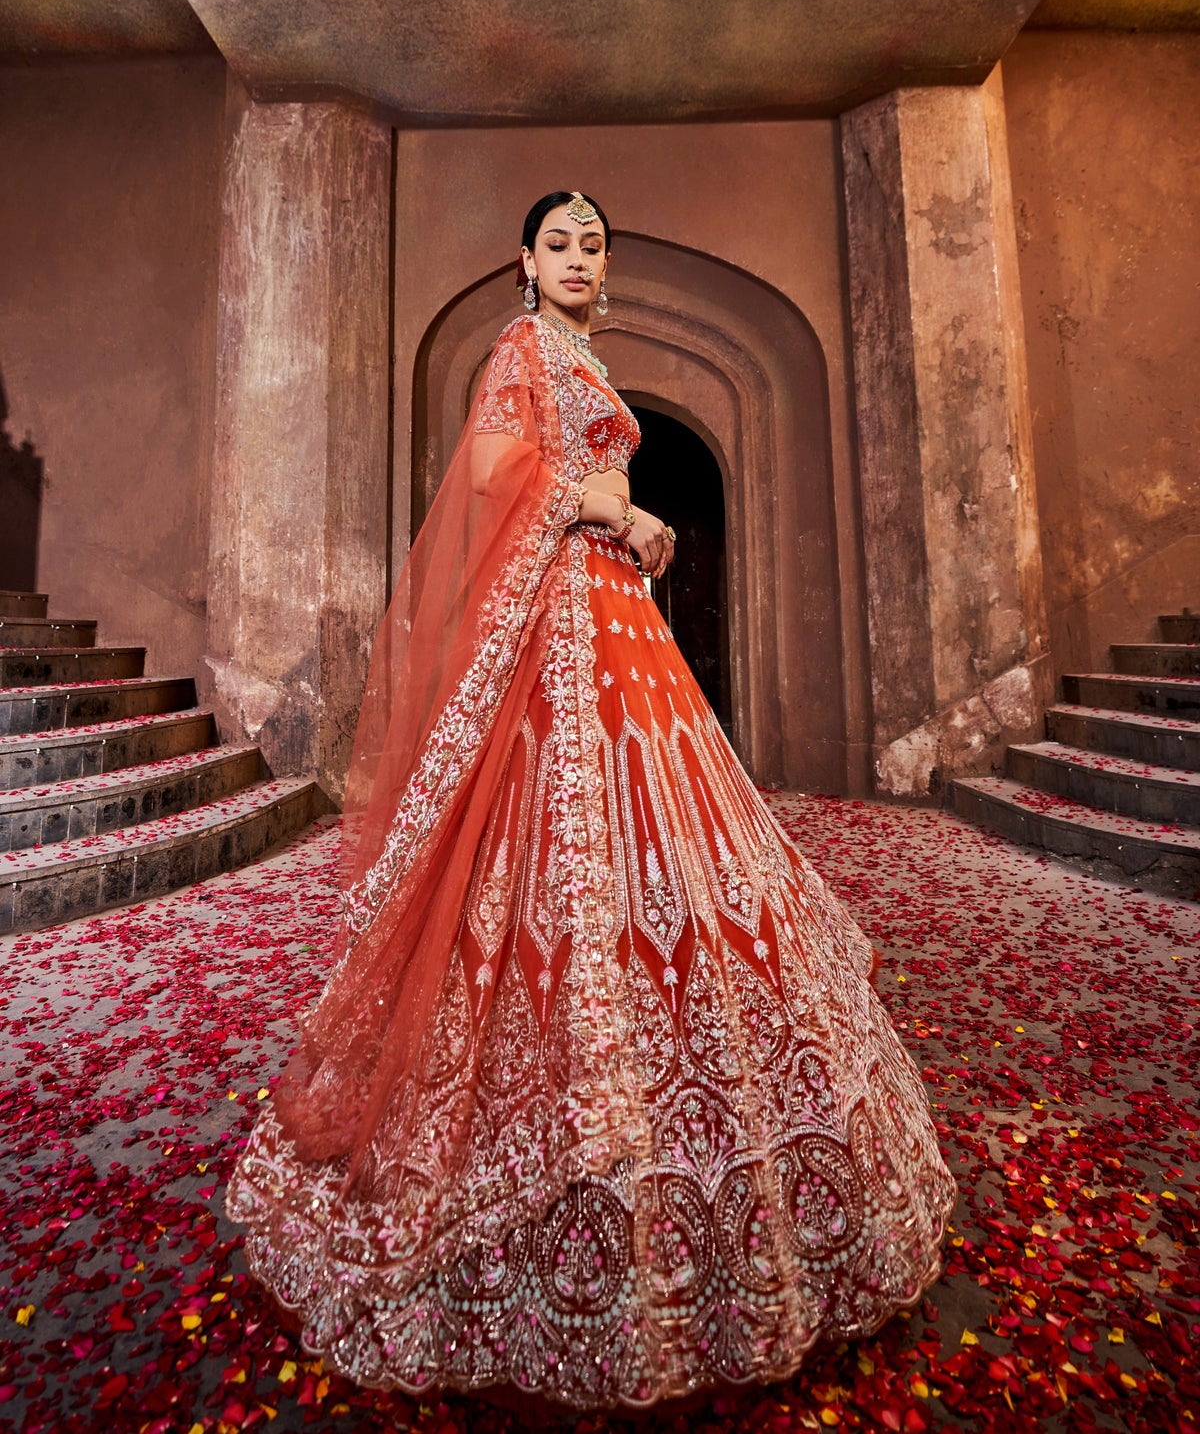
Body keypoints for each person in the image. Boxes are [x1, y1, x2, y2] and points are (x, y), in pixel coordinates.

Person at [227, 189, 954, 1410]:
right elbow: (497, 467)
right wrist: (615, 504)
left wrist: (633, 527)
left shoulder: (581, 354)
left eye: (593, 245)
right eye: (559, 243)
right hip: (562, 627)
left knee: (663, 847)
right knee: (544, 849)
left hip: (617, 618)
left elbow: (558, 469)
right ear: (525, 261)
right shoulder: (521, 347)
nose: (579, 258)